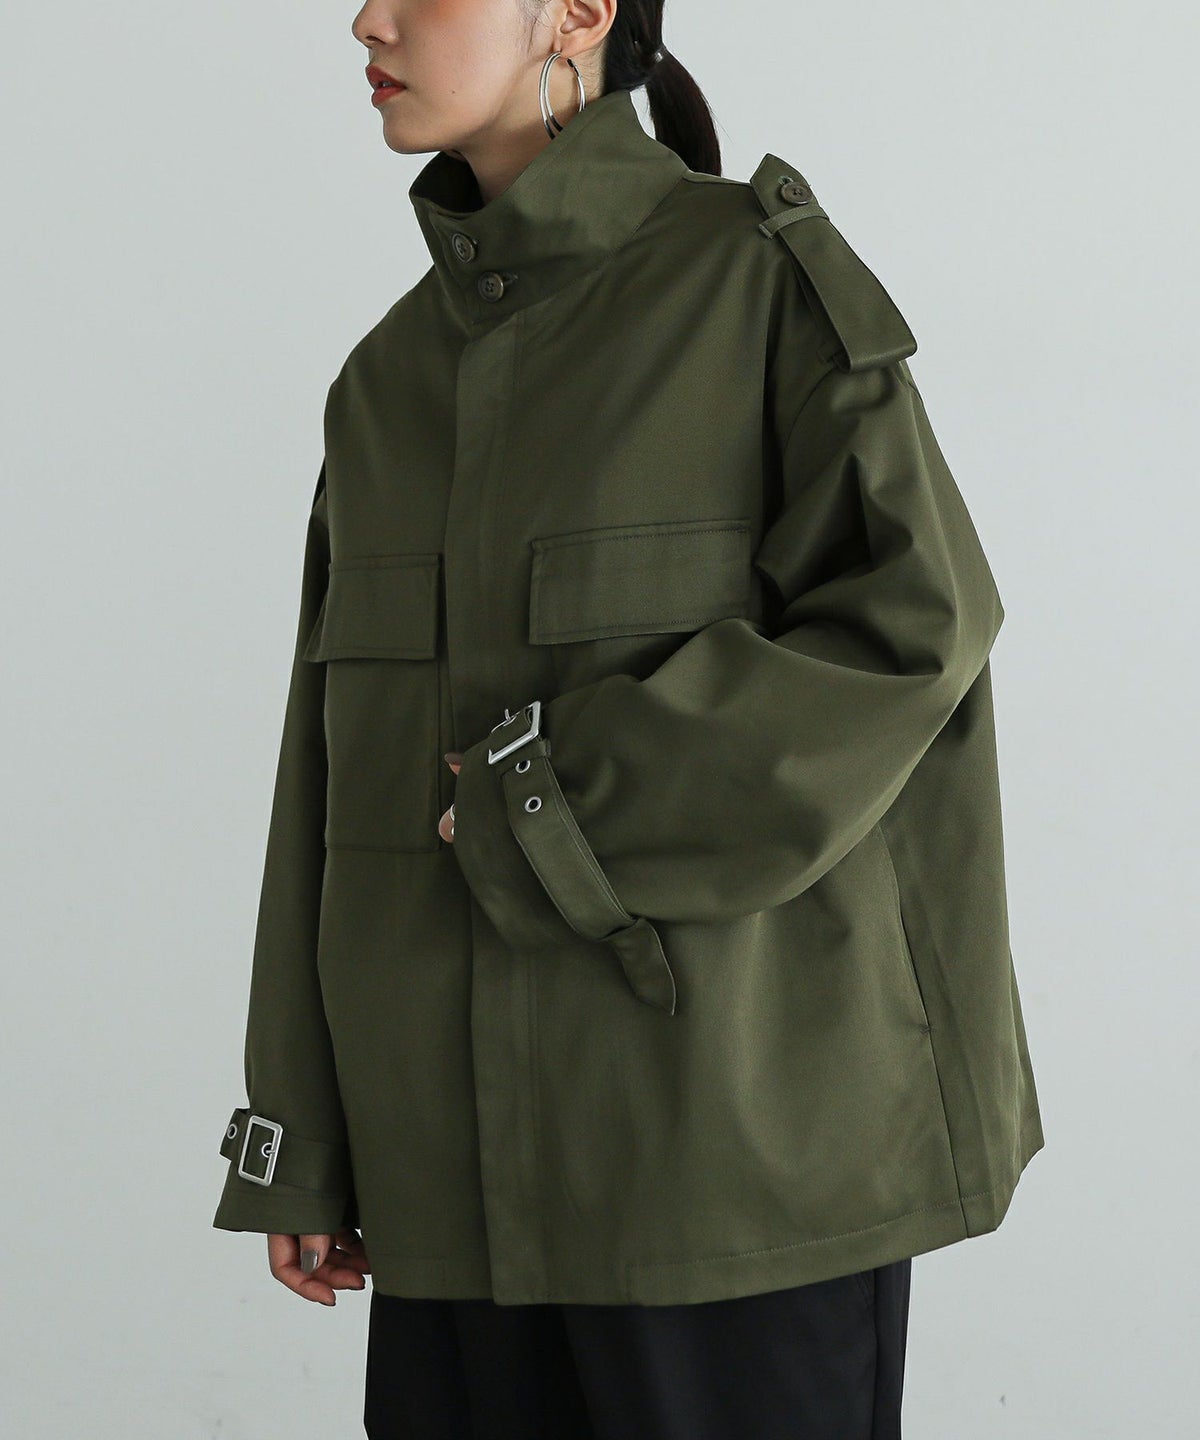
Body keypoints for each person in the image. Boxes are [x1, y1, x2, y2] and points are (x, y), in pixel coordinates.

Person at [211, 2, 1046, 1436]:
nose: (370, 18)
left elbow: (915, 622)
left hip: (729, 1189)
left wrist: (550, 803)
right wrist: (302, 1128)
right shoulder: (385, 385)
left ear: (581, 12)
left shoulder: (755, 285)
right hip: (447, 1193)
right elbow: (324, 778)